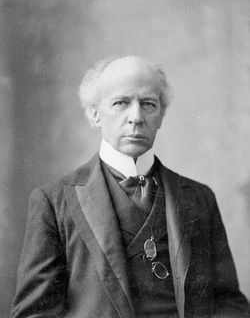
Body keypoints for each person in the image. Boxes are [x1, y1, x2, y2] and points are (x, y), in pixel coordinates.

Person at [11, 56, 249, 318]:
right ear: (95, 114)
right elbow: (34, 313)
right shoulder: (54, 201)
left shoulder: (199, 198)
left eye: (148, 104)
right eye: (120, 103)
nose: (136, 117)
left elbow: (229, 303)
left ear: (161, 115)